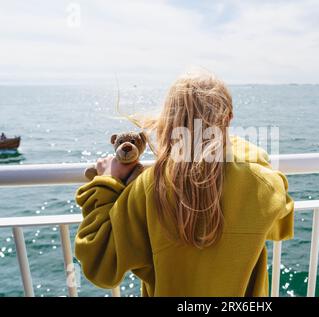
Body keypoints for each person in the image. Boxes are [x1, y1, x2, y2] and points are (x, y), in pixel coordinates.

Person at [74, 71, 294, 296]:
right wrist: (246, 153)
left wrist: (107, 182)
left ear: (169, 121)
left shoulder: (148, 188)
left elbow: (99, 263)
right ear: (228, 118)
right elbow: (281, 227)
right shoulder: (263, 185)